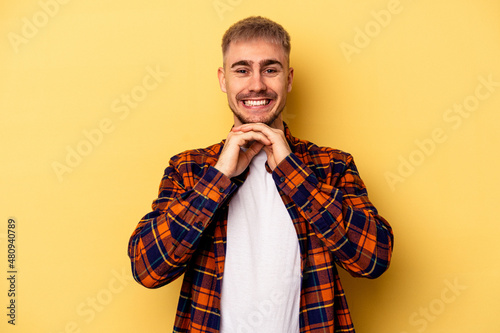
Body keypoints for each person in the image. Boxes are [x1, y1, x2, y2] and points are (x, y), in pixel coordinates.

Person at [128, 16, 393, 333]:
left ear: (289, 78)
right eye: (242, 70)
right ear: (223, 79)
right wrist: (220, 175)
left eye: (270, 69)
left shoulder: (332, 166)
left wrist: (290, 171)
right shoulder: (188, 169)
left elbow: (373, 259)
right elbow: (148, 268)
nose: (256, 84)